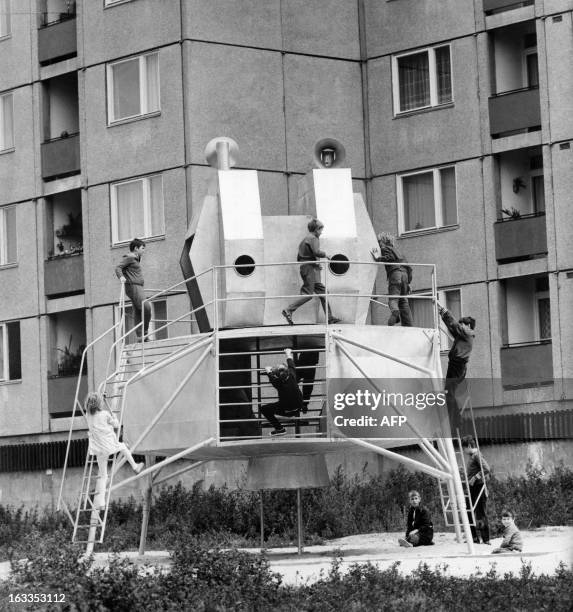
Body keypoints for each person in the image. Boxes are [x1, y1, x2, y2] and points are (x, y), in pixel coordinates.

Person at [84, 392, 144, 509]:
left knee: (103, 475)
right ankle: (135, 466)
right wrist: (114, 415)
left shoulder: (88, 415)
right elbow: (116, 425)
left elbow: (95, 413)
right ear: (99, 404)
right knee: (123, 447)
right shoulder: (105, 414)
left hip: (98, 448)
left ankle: (101, 502)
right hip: (108, 445)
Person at [282, 218, 341, 326]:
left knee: (323, 293)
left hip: (307, 268)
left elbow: (301, 257)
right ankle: (289, 310)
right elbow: (316, 252)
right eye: (321, 230)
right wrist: (326, 255)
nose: (321, 232)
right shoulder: (313, 238)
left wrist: (314, 264)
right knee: (308, 294)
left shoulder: (305, 239)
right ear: (316, 229)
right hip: (308, 269)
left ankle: (330, 317)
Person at [438, 302, 476, 432]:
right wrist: (443, 317)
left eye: (463, 324)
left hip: (457, 366)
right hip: (457, 367)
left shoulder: (468, 333)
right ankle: (455, 420)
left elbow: (454, 325)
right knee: (449, 393)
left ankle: (455, 421)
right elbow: (453, 328)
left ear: (468, 326)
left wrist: (444, 312)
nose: (461, 326)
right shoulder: (464, 336)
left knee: (448, 393)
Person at [370, 233, 413, 327]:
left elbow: (389, 258)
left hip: (395, 274)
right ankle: (408, 324)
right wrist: (408, 283)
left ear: (384, 241)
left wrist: (378, 258)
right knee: (403, 301)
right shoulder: (400, 253)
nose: (378, 244)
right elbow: (409, 268)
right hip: (405, 276)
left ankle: (395, 312)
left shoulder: (385, 248)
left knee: (393, 300)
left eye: (379, 242)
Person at [261, 348, 304, 436]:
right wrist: (288, 353)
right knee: (288, 400)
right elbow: (291, 364)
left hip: (286, 410)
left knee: (264, 409)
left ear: (276, 375)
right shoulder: (292, 375)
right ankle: (280, 426)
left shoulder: (277, 383)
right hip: (298, 408)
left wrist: (268, 369)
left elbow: (271, 376)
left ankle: (279, 429)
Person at [115, 238, 151, 342]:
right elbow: (118, 267)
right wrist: (121, 277)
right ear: (136, 248)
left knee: (138, 311)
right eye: (142, 248)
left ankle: (141, 337)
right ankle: (144, 333)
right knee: (146, 307)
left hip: (138, 286)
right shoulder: (130, 257)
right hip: (133, 286)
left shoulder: (135, 259)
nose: (144, 250)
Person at [461, 435, 490, 545]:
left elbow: (486, 469)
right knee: (468, 510)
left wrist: (475, 477)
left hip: (479, 486)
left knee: (480, 513)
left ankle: (485, 538)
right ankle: (474, 537)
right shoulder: (472, 456)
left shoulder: (477, 455)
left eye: (464, 448)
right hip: (472, 488)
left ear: (468, 446)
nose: (463, 451)